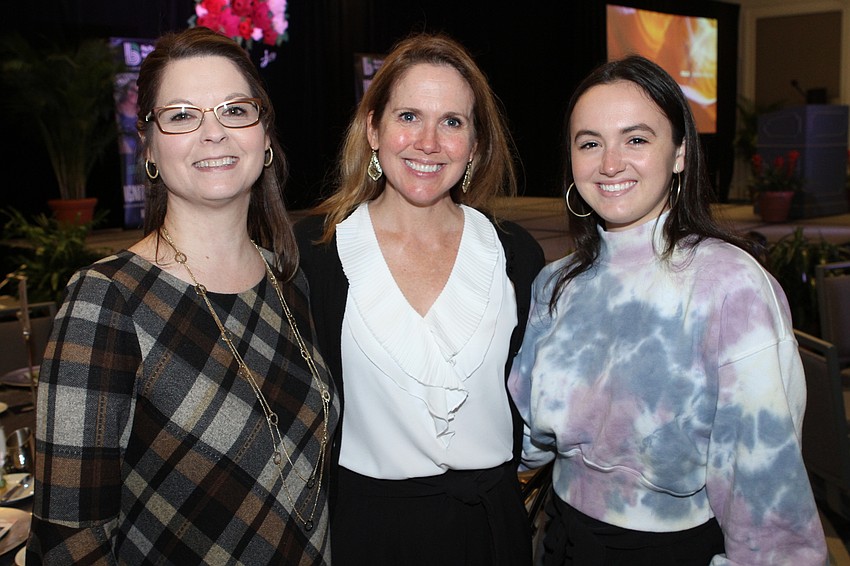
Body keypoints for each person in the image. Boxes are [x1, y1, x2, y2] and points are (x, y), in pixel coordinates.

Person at [28, 27, 338, 565]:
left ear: (264, 135)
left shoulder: (289, 279)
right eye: (181, 115)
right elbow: (71, 545)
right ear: (148, 144)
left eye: (234, 110)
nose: (213, 133)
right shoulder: (106, 302)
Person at [508, 55, 828, 565]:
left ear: (679, 153)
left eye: (636, 139)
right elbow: (529, 435)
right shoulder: (556, 282)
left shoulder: (730, 287)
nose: (610, 162)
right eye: (590, 142)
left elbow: (765, 481)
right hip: (562, 538)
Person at [295, 33, 544, 566]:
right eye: (409, 116)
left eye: (452, 122)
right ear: (373, 128)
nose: (428, 142)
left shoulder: (516, 255)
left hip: (493, 532)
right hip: (366, 534)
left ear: (475, 144)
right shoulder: (313, 253)